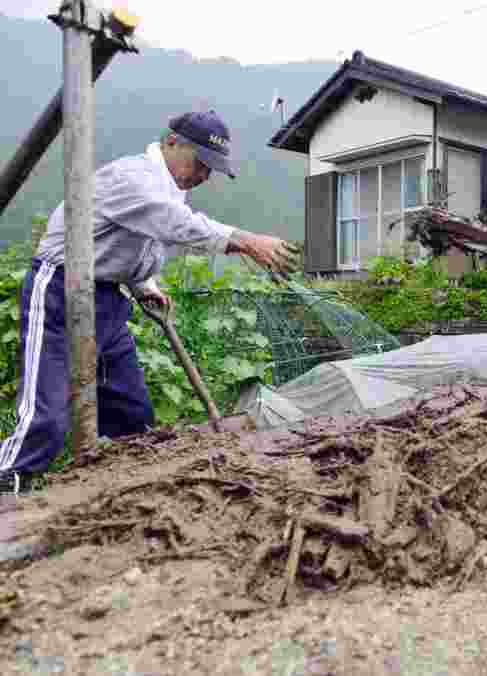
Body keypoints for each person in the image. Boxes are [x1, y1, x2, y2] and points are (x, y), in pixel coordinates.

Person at [0, 110, 299, 494]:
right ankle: (10, 478)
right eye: (202, 163)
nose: (205, 176)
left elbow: (128, 243)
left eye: (212, 170)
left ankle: (122, 490)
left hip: (107, 298)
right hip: (59, 287)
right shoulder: (134, 177)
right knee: (48, 414)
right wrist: (245, 239)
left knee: (131, 413)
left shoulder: (170, 188)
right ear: (172, 143)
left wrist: (145, 285)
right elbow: (169, 221)